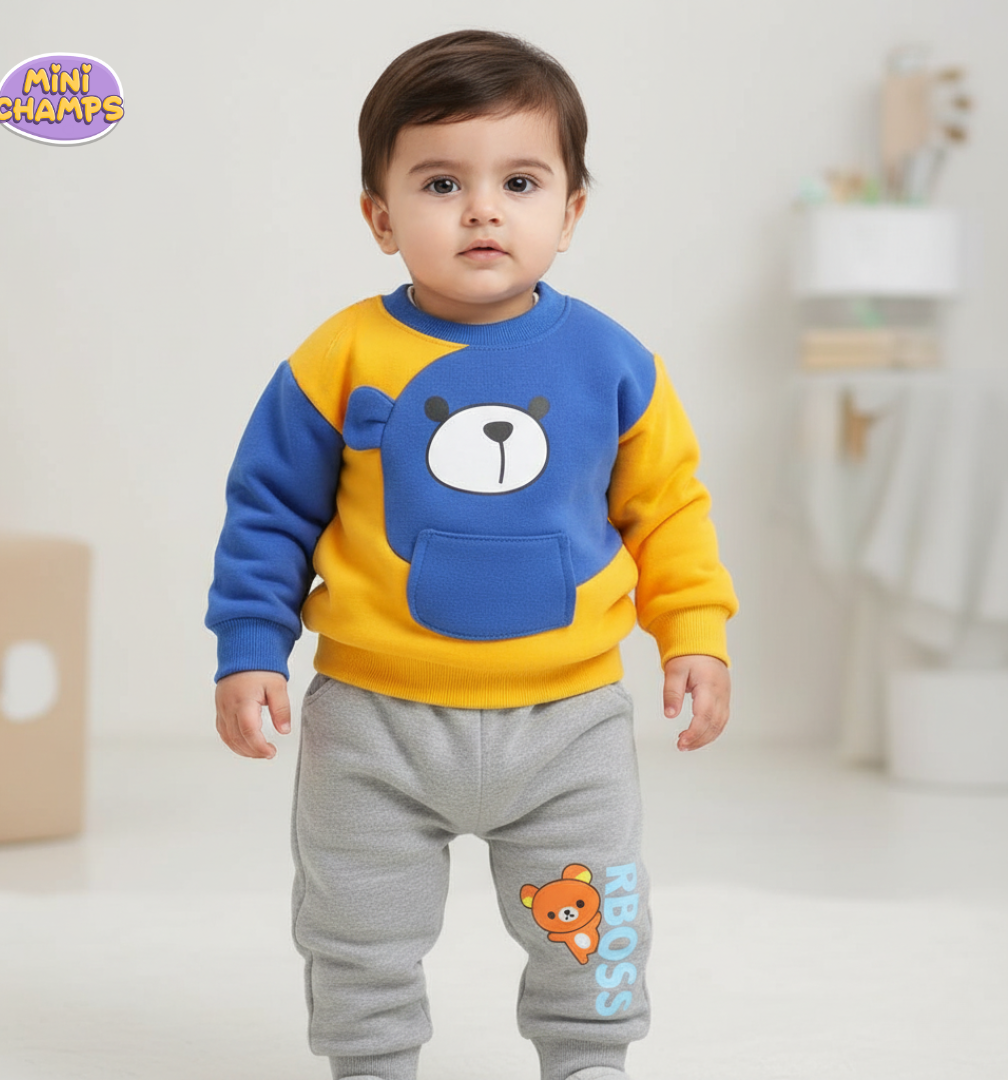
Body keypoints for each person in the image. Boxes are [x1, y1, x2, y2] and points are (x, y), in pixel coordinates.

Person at [206, 29, 738, 1080]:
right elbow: (268, 511)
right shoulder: (338, 357)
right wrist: (250, 647)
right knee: (356, 926)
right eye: (442, 183)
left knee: (594, 922)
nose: (483, 210)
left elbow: (668, 509)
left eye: (520, 182)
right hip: (375, 721)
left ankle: (590, 1060)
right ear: (381, 217)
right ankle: (371, 1064)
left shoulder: (613, 362)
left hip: (568, 722)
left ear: (570, 213)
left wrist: (694, 631)